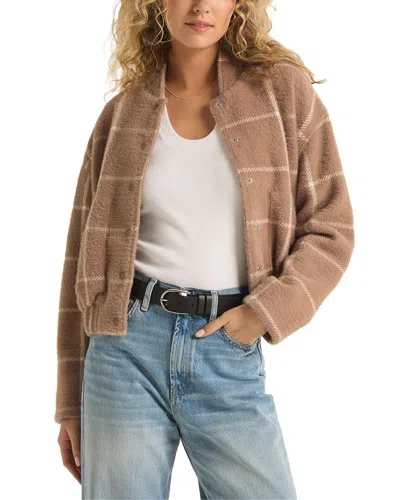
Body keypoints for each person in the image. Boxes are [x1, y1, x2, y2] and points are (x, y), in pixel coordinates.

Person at [55, 1, 355, 498]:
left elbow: (332, 226)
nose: (200, 6)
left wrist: (264, 313)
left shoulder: (282, 93)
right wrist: (70, 399)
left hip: (226, 347)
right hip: (123, 349)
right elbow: (79, 260)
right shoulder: (121, 114)